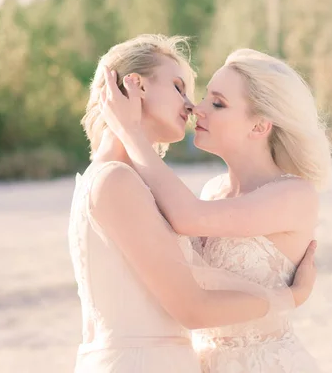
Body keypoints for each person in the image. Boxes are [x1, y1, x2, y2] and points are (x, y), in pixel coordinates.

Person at [68, 34, 318, 373]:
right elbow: (191, 302)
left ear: (260, 125)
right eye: (179, 87)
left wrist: (131, 133)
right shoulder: (122, 181)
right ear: (136, 86)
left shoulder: (290, 194)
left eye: (217, 103)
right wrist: (290, 298)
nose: (192, 106)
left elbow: (189, 221)